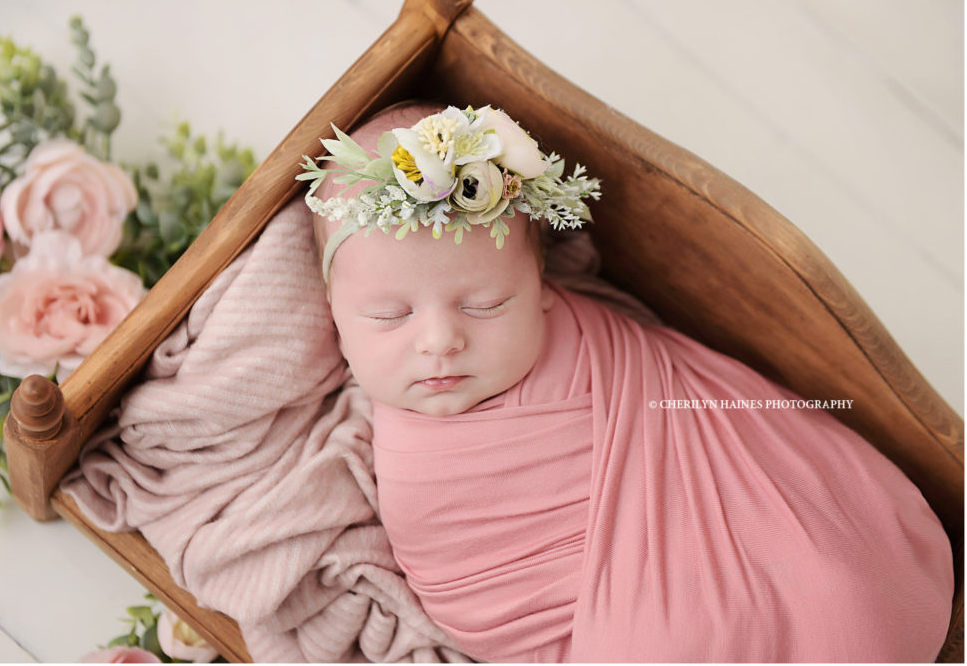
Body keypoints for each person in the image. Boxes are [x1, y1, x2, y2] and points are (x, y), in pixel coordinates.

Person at [299, 102, 953, 662]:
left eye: (486, 304)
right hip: (644, 615)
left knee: (833, 575)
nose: (440, 340)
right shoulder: (416, 476)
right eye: (389, 315)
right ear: (332, 315)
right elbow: (488, 603)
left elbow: (703, 415)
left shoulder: (597, 345)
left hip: (764, 504)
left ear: (545, 290)